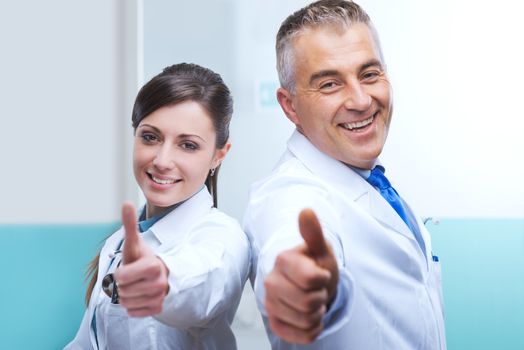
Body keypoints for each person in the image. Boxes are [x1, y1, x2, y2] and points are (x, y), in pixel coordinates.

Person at [243, 1, 446, 349]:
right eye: (329, 84)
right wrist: (308, 287)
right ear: (289, 105)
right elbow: (292, 249)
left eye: (369, 74)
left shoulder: (369, 178)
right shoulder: (288, 196)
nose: (361, 100)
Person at [66, 63, 250, 349]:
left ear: (218, 155)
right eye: (150, 137)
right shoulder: (118, 243)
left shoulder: (223, 237)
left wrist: (162, 280)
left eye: (188, 145)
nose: (162, 161)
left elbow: (203, 282)